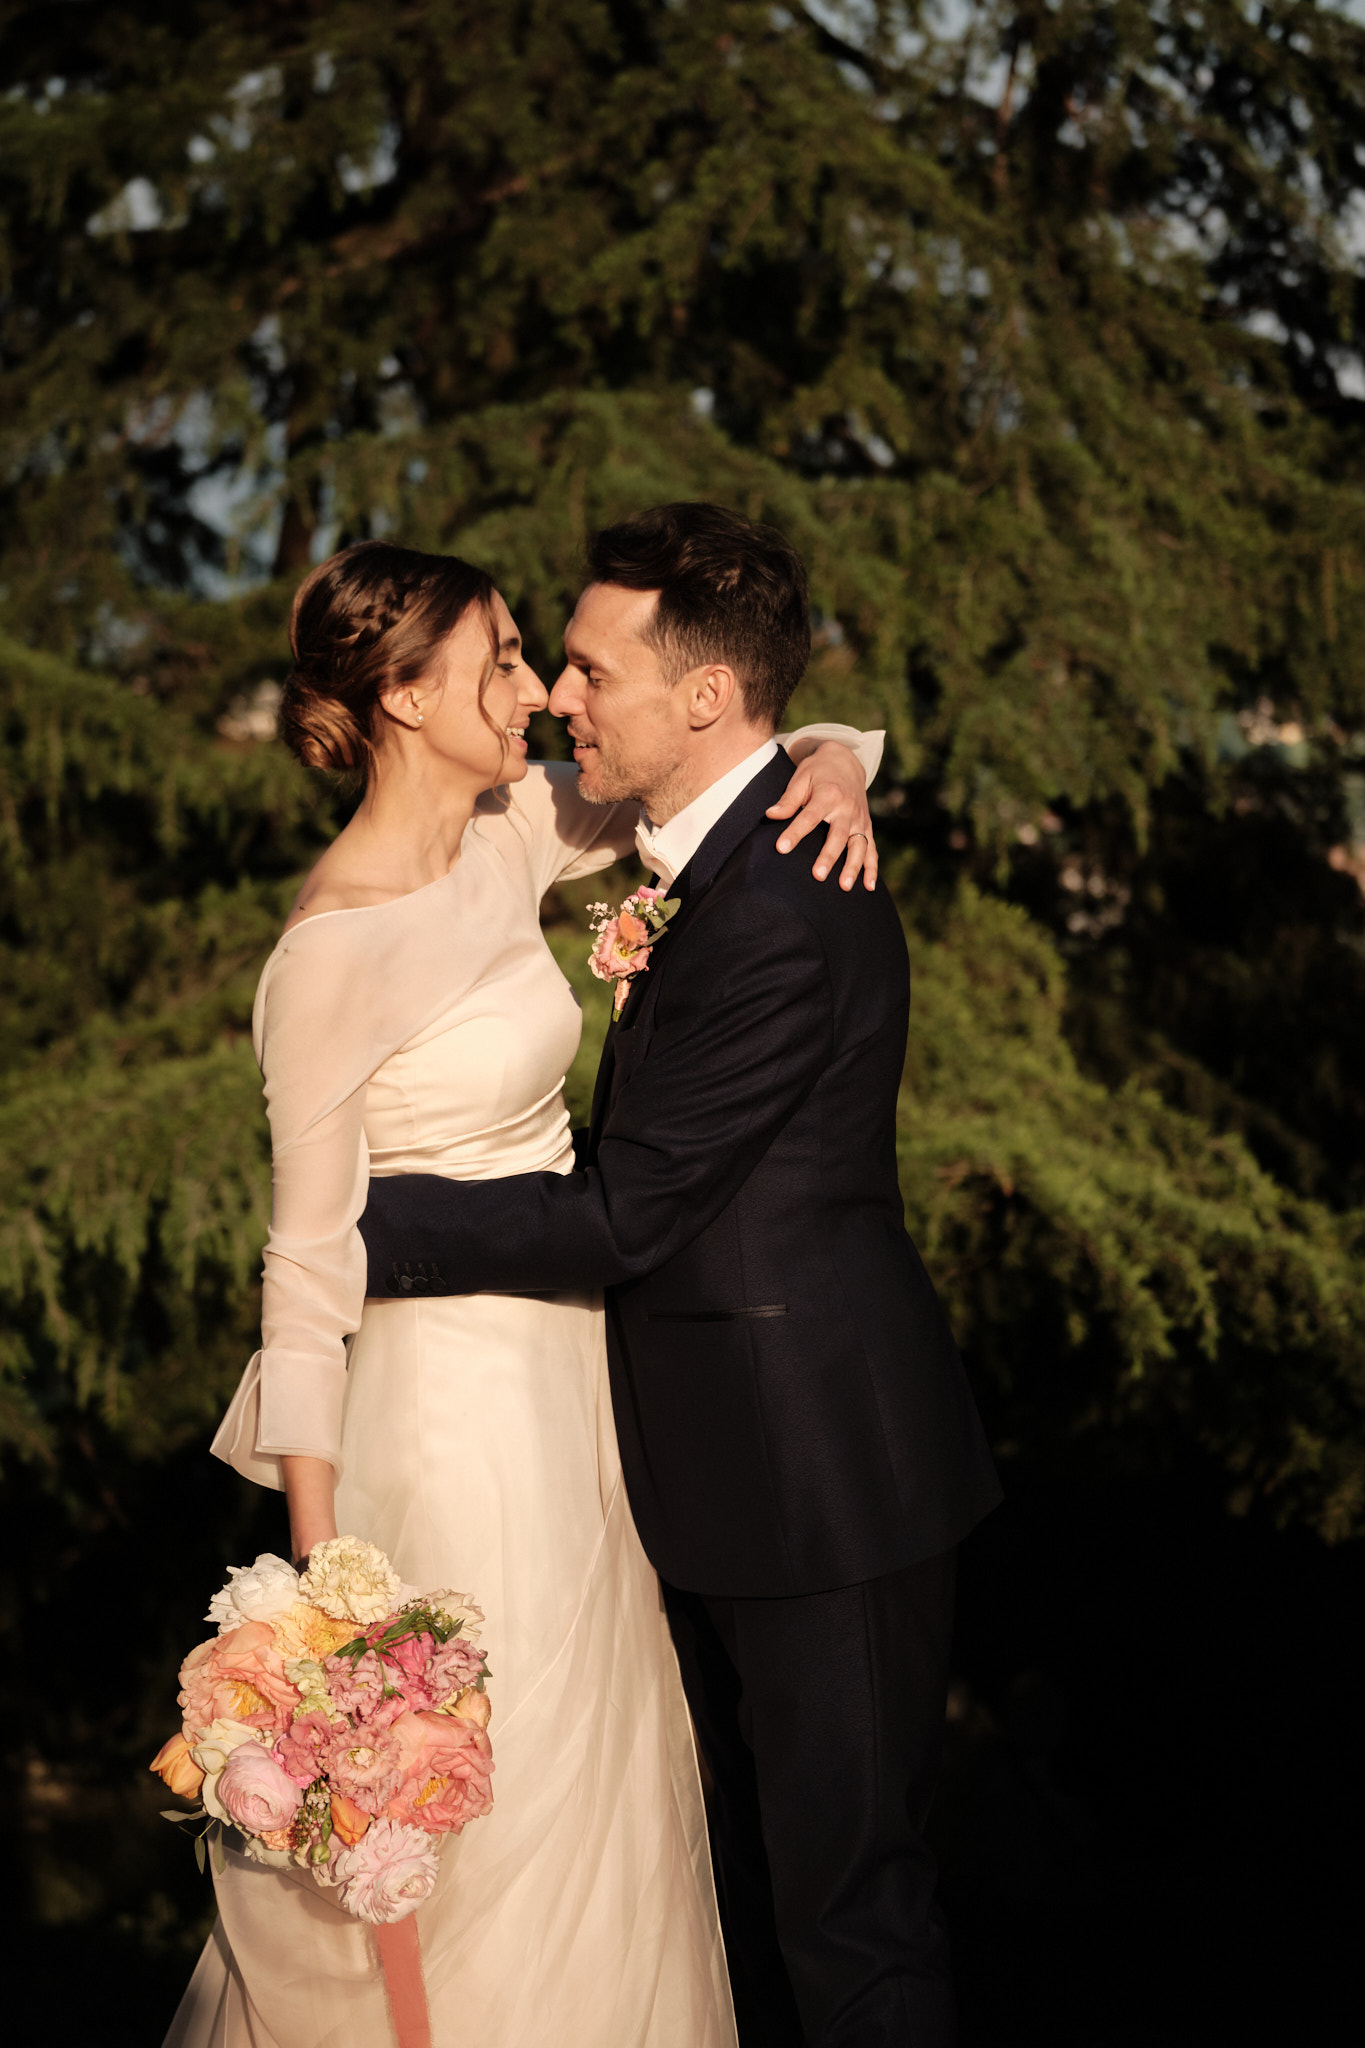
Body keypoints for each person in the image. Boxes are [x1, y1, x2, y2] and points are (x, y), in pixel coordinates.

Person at [170, 533, 882, 2048]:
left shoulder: (517, 832)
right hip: (440, 1420)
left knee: (598, 1797)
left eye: (538, 657)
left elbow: (714, 770)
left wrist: (837, 758)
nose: (541, 692)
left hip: (580, 1396)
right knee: (461, 1815)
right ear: (405, 699)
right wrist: (321, 1602)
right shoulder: (326, 954)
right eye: (502, 661)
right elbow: (304, 1273)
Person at [359, 503, 1003, 2048]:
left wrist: (365, 1231)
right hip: (722, 1477)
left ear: (701, 697)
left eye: (588, 670)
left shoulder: (775, 908)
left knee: (851, 1920)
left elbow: (623, 1216)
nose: (560, 698)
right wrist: (835, 746)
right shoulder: (724, 848)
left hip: (823, 1485)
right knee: (763, 1917)